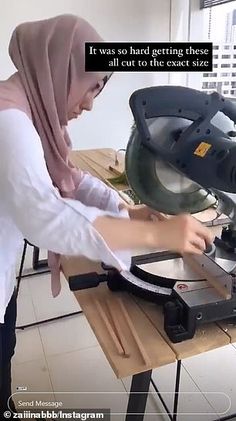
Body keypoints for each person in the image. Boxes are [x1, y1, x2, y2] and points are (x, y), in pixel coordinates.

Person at [0, 14, 214, 417]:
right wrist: (158, 237)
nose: (89, 103)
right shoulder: (8, 122)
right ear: (59, 69)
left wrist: (123, 209)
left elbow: (69, 178)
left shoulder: (25, 111)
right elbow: (43, 215)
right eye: (89, 86)